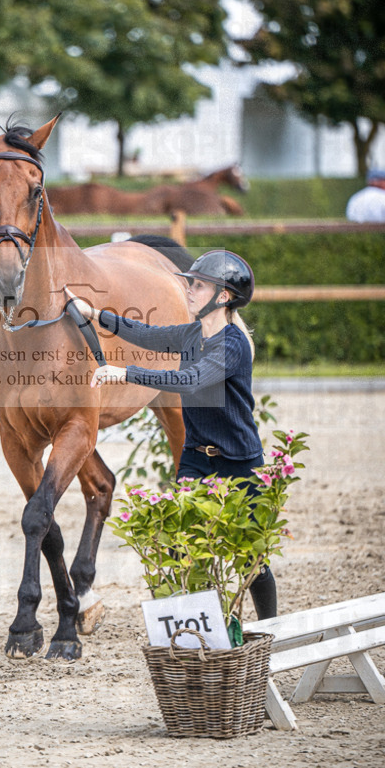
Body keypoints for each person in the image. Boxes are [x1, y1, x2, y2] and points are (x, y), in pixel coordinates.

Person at [66, 249, 277, 621]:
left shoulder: (232, 345)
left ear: (223, 296)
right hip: (196, 458)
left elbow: (188, 380)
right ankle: (197, 630)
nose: (190, 291)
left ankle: (270, 630)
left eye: (198, 285)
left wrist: (124, 372)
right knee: (179, 547)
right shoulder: (192, 333)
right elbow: (146, 333)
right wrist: (95, 315)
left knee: (251, 560)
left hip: (239, 462)